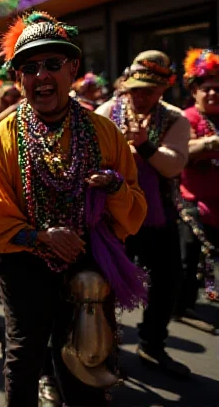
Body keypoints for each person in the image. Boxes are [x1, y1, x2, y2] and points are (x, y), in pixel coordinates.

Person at [0, 12, 147, 406]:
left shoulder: (104, 132)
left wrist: (114, 187)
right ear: (19, 79)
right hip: (24, 261)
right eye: (30, 68)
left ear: (73, 69)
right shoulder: (2, 139)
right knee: (24, 356)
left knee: (87, 360)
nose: (42, 77)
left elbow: (134, 209)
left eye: (53, 65)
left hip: (87, 260)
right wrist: (41, 237)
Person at [96, 51, 191, 377]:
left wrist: (144, 146)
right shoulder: (108, 111)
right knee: (104, 283)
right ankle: (103, 350)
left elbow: (175, 164)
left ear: (163, 88)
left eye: (147, 90)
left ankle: (151, 344)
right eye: (135, 89)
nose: (140, 95)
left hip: (158, 215)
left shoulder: (176, 118)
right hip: (116, 216)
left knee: (167, 281)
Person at [177, 49, 219, 331]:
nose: (214, 94)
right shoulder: (187, 117)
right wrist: (212, 143)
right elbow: (184, 151)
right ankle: (183, 308)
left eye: (218, 88)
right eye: (207, 89)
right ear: (194, 91)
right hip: (192, 203)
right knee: (189, 260)